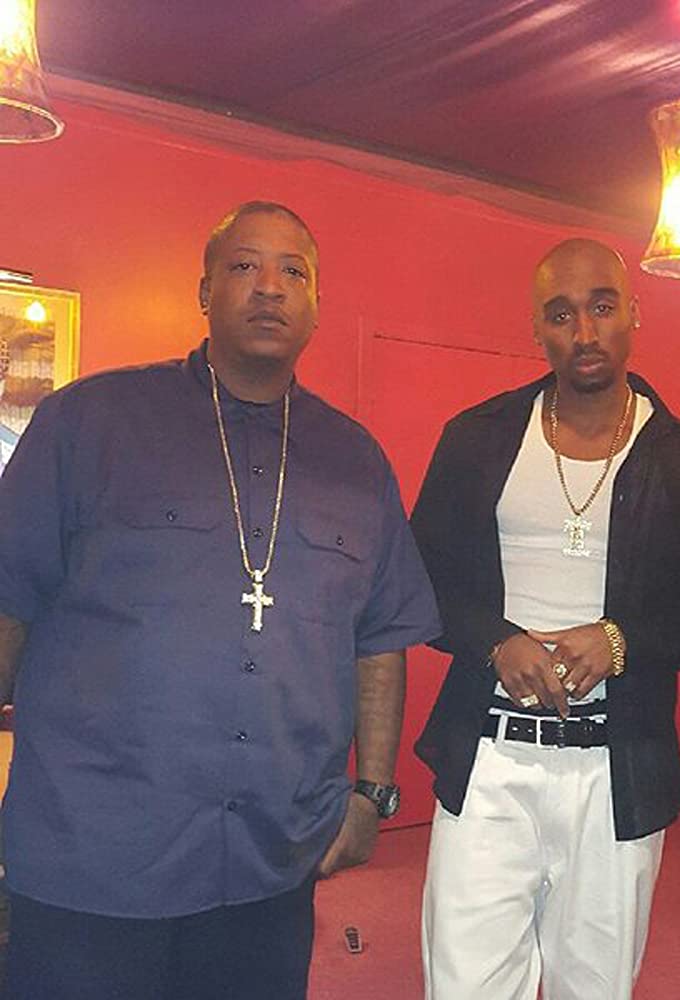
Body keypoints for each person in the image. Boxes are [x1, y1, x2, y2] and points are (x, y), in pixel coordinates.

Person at [0, 201, 440, 1000]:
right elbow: (8, 597)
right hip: (93, 852)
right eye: (244, 266)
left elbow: (379, 637)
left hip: (271, 860)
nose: (269, 286)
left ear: (316, 306)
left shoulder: (355, 460)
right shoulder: (91, 422)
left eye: (293, 271)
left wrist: (372, 794)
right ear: (204, 292)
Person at [411, 237, 680, 999]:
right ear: (537, 329)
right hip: (489, 757)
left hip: (615, 766)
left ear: (634, 313)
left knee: (593, 987)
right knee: (463, 985)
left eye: (602, 307)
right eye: (561, 315)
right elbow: (421, 581)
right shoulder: (478, 438)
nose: (585, 332)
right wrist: (495, 642)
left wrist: (621, 640)